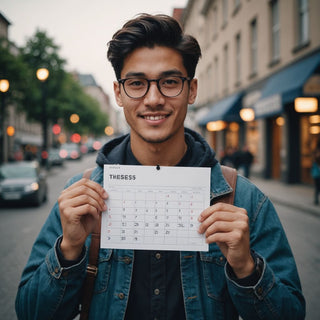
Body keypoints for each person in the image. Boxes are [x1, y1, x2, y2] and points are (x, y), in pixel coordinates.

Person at [15, 14, 305, 320]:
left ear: (191, 90)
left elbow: (291, 313)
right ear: (118, 93)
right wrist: (69, 248)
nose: (153, 99)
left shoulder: (245, 200)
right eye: (137, 83)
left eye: (169, 82)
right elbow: (31, 312)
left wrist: (247, 268)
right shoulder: (80, 197)